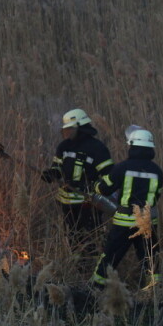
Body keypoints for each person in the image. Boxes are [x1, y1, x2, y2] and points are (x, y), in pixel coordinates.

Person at [91, 127, 163, 289]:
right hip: (147, 221)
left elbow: (104, 189)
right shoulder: (157, 171)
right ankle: (154, 291)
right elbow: (157, 195)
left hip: (124, 222)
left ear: (132, 146)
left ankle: (96, 289)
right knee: (150, 257)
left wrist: (94, 186)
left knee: (110, 256)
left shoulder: (123, 167)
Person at [41, 108, 114, 252]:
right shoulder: (64, 146)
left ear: (80, 127)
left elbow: (109, 177)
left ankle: (93, 263)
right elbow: (57, 168)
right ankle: (77, 264)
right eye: (65, 130)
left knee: (91, 240)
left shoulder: (97, 148)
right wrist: (51, 174)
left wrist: (89, 186)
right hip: (66, 204)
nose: (67, 133)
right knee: (73, 239)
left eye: (70, 129)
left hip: (88, 203)